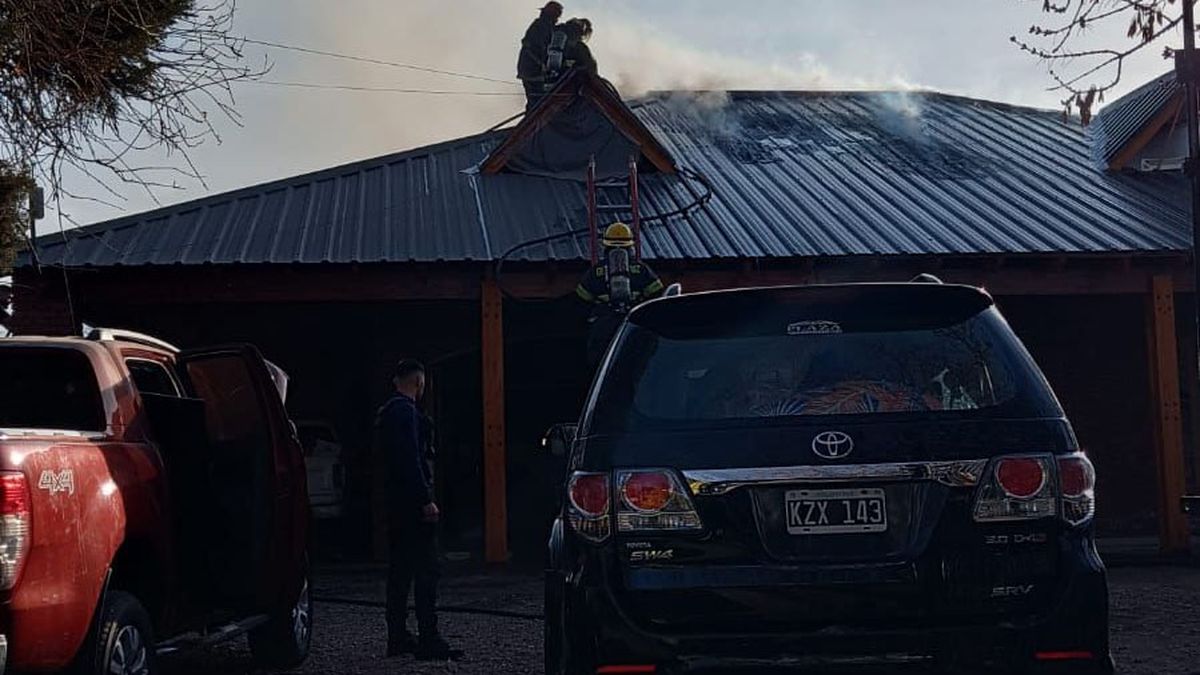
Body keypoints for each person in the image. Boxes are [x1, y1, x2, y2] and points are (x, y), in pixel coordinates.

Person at [376, 360, 461, 661]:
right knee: (427, 571)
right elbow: (411, 459)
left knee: (399, 573)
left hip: (395, 505)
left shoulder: (387, 413)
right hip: (412, 507)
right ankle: (429, 637)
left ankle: (398, 636)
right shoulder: (405, 413)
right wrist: (426, 499)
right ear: (419, 383)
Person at [577, 222, 665, 365]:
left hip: (604, 326)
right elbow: (658, 294)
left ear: (605, 245)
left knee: (600, 365)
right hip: (634, 324)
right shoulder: (641, 269)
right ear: (630, 245)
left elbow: (581, 300)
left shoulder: (596, 271)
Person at [517, 2, 564, 111]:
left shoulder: (548, 27)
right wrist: (540, 64)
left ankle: (532, 119)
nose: (557, 19)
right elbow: (527, 46)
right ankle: (532, 122)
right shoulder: (539, 26)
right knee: (537, 101)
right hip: (531, 70)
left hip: (534, 70)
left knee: (537, 101)